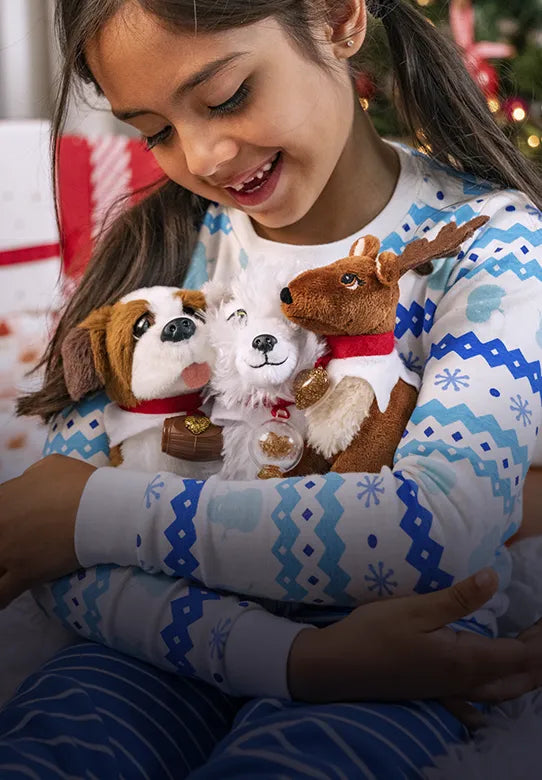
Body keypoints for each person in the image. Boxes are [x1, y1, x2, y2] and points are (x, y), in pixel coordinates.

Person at [1, 0, 542, 776]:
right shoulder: (169, 242)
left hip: (398, 664)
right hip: (152, 650)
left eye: (226, 98)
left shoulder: (493, 244)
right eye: (154, 129)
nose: (202, 154)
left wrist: (95, 514)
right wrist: (287, 658)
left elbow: (438, 530)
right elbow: (42, 545)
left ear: (337, 18)